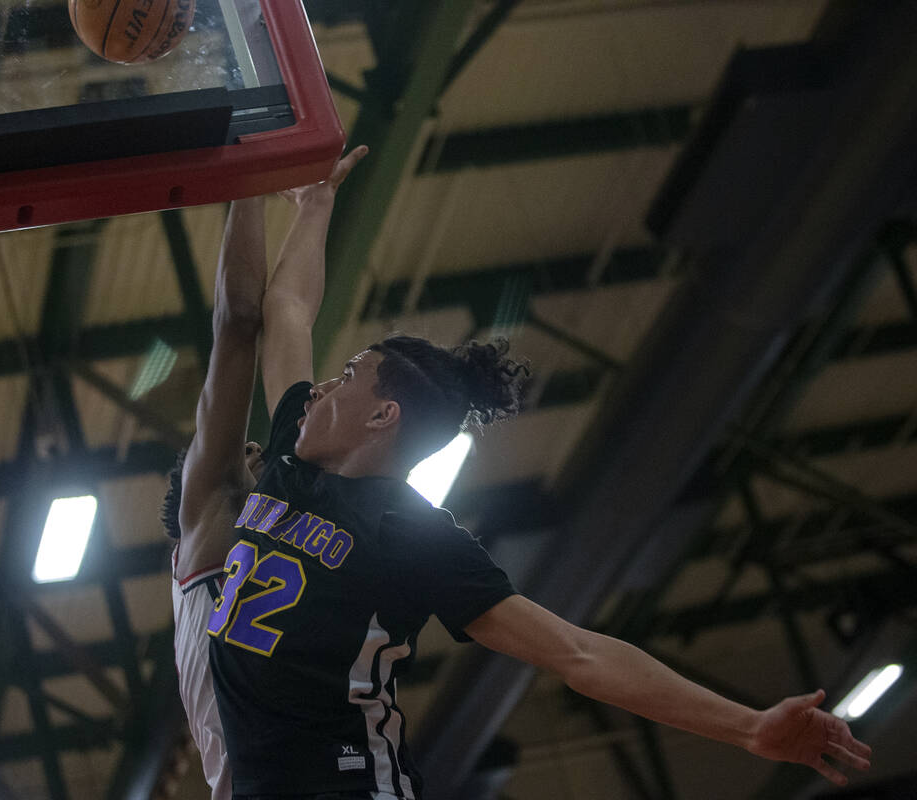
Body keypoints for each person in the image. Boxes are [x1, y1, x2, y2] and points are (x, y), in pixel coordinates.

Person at [204, 148, 873, 798]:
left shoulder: (407, 532)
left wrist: (749, 725)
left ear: (382, 416)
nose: (320, 384)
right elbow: (288, 309)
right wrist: (314, 206)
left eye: (346, 376)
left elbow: (578, 654)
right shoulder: (292, 448)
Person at [165, 194, 269, 800]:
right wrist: (251, 180)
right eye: (240, 450)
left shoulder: (307, 534)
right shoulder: (212, 506)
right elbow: (239, 322)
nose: (249, 448)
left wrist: (312, 209)